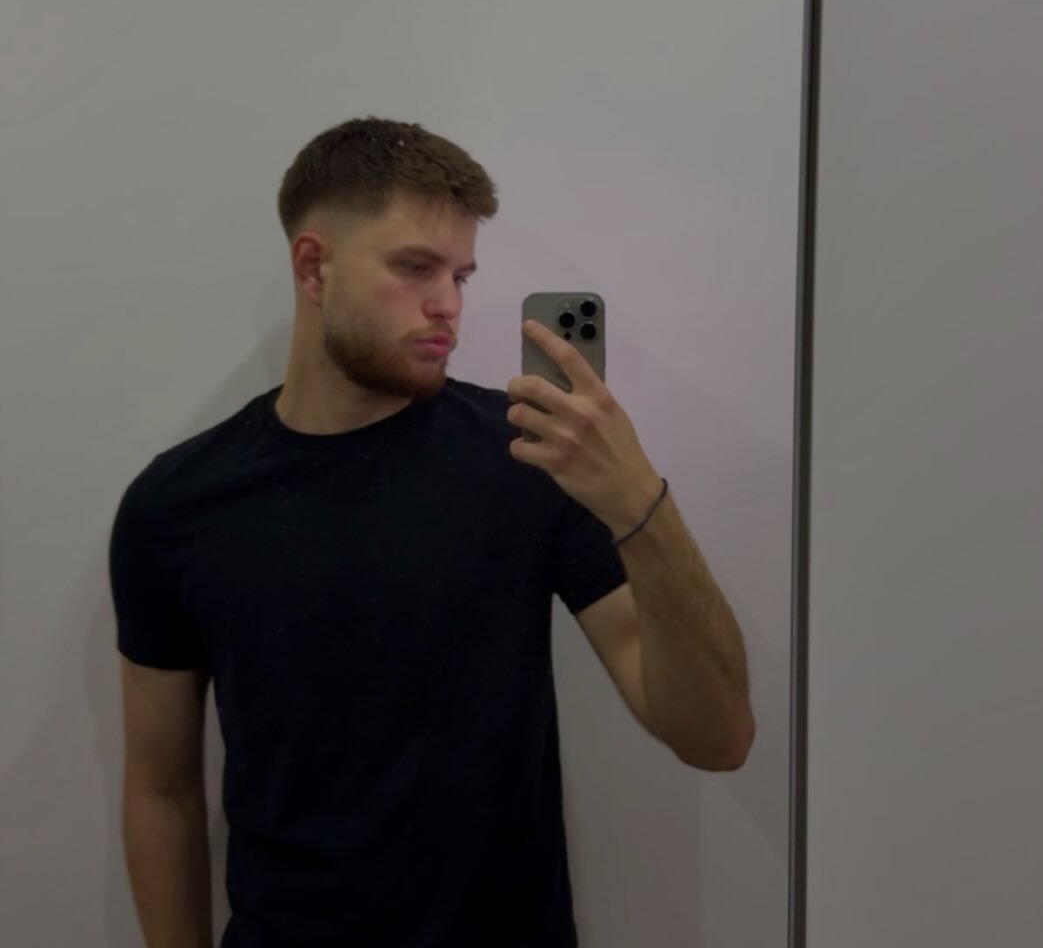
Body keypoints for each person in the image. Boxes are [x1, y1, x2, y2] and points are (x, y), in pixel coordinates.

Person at [109, 116, 755, 948]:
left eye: (461, 275)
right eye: (416, 267)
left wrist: (640, 503)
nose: (448, 303)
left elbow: (717, 736)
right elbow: (160, 788)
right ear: (313, 266)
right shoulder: (176, 505)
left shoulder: (529, 460)